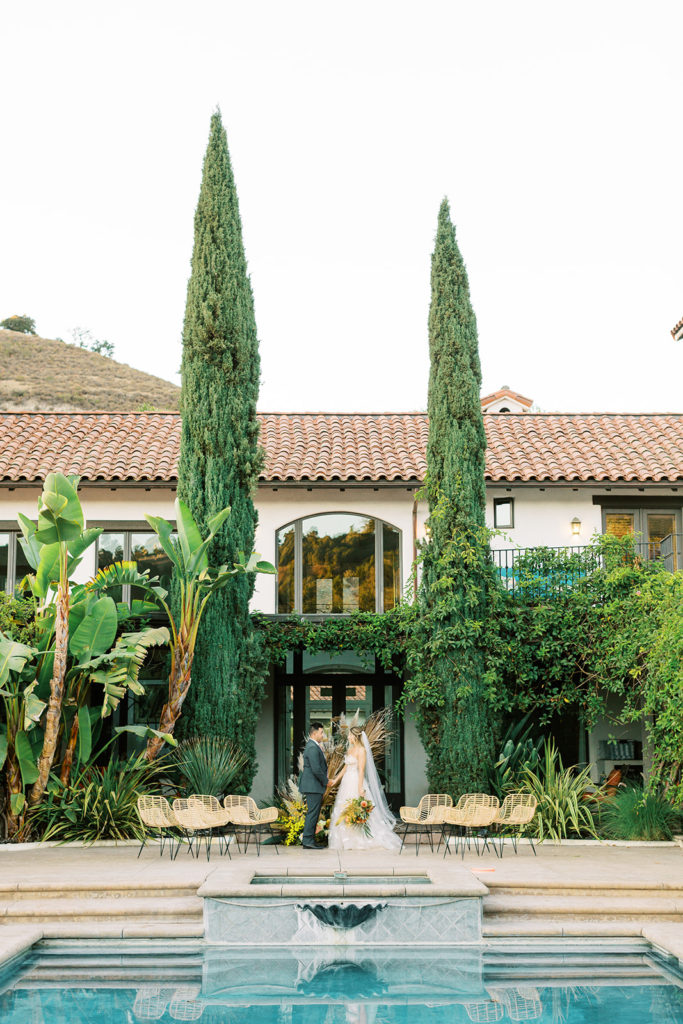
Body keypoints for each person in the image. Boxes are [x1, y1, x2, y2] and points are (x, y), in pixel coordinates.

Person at [328, 726, 400, 851]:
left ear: (355, 737)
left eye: (350, 735)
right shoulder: (349, 750)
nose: (348, 737)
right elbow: (345, 768)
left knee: (356, 809)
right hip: (346, 782)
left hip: (356, 780)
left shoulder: (362, 750)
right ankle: (346, 840)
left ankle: (360, 839)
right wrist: (335, 780)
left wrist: (360, 788)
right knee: (344, 809)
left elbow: (361, 770)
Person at [299, 721, 329, 849]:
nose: (323, 735)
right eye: (321, 732)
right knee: (312, 813)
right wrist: (327, 781)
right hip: (313, 786)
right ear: (315, 733)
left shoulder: (313, 746)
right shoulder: (312, 747)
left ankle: (309, 840)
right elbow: (316, 769)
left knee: (313, 813)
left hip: (314, 786)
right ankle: (307, 841)